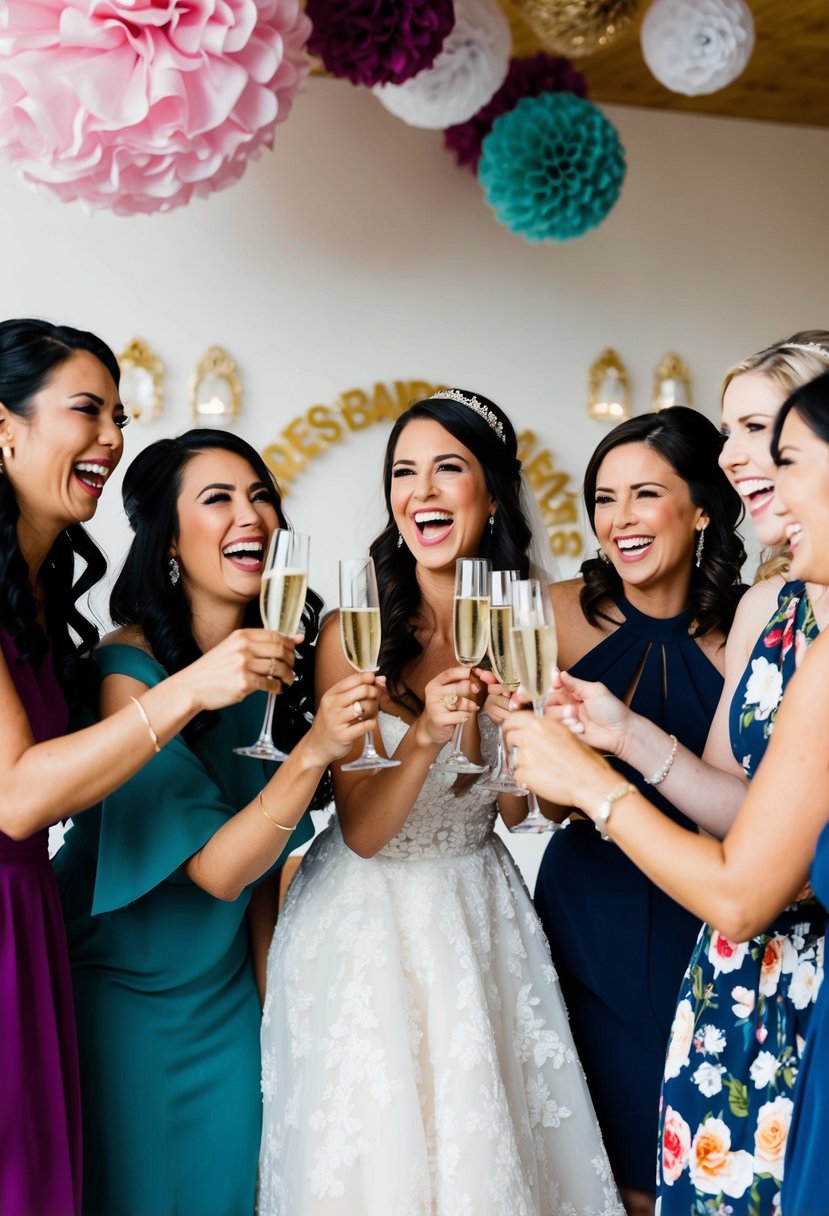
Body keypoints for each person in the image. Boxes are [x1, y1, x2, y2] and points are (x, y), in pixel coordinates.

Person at [258, 389, 624, 1216]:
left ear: (490, 494)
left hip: (480, 910)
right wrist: (423, 735)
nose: (420, 491)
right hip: (364, 922)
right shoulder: (352, 631)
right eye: (402, 473)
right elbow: (359, 831)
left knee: (487, 1159)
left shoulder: (524, 619)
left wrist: (530, 744)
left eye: (446, 469)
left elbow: (530, 812)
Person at [503, 370, 829, 1216]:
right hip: (688, 950)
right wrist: (620, 740)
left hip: (746, 940)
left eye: (770, 442)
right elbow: (744, 812)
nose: (741, 462)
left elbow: (749, 884)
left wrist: (594, 784)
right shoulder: (782, 610)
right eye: (603, 497)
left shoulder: (779, 628)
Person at [52, 430, 380, 1216]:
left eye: (261, 495)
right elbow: (217, 869)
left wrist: (277, 1022)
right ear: (167, 539)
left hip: (226, 1001)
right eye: (219, 499)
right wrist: (314, 755)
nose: (252, 516)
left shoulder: (273, 669)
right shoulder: (124, 674)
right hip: (123, 1002)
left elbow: (261, 882)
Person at [0, 321, 286, 1216]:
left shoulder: (39, 597)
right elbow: (15, 799)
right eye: (87, 411)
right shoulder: (139, 663)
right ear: (3, 428)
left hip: (31, 923)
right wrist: (195, 688)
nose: (114, 438)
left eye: (118, 415)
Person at [518, 407, 745, 1215]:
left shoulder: (753, 628)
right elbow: (540, 797)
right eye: (602, 498)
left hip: (710, 916)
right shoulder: (552, 611)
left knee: (695, 1163)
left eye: (643, 494)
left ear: (702, 506)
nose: (617, 520)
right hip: (589, 918)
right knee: (599, 1171)